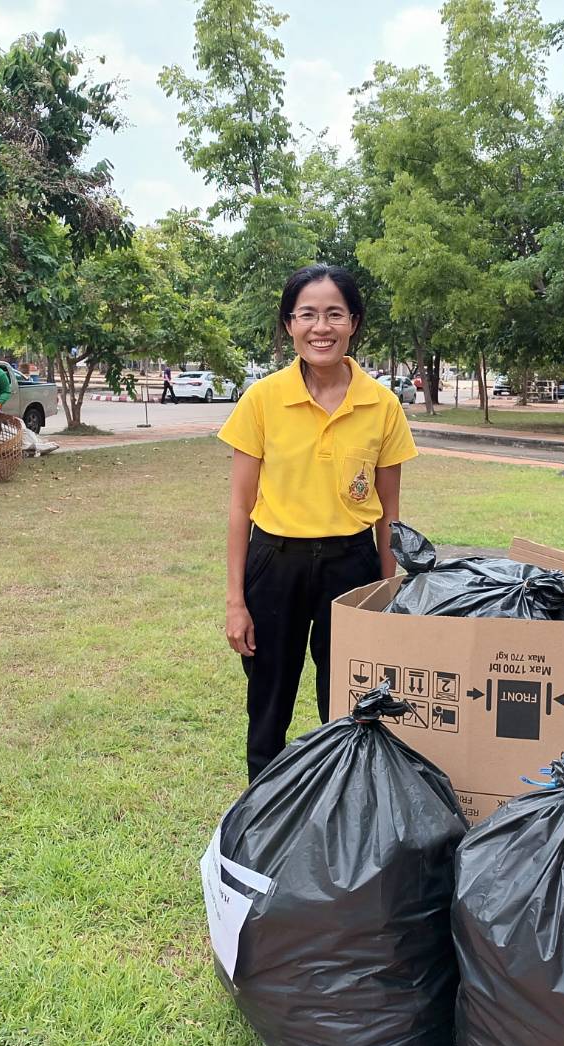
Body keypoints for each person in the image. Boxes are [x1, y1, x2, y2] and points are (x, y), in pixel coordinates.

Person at [219, 264, 418, 781]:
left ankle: (344, 803)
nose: (321, 327)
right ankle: (263, 808)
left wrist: (388, 595)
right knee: (268, 704)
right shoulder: (262, 400)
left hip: (351, 566)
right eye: (307, 314)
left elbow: (389, 514)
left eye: (335, 314)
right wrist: (236, 602)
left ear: (354, 322)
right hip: (274, 565)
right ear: (289, 324)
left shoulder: (382, 405)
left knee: (350, 704)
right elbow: (240, 508)